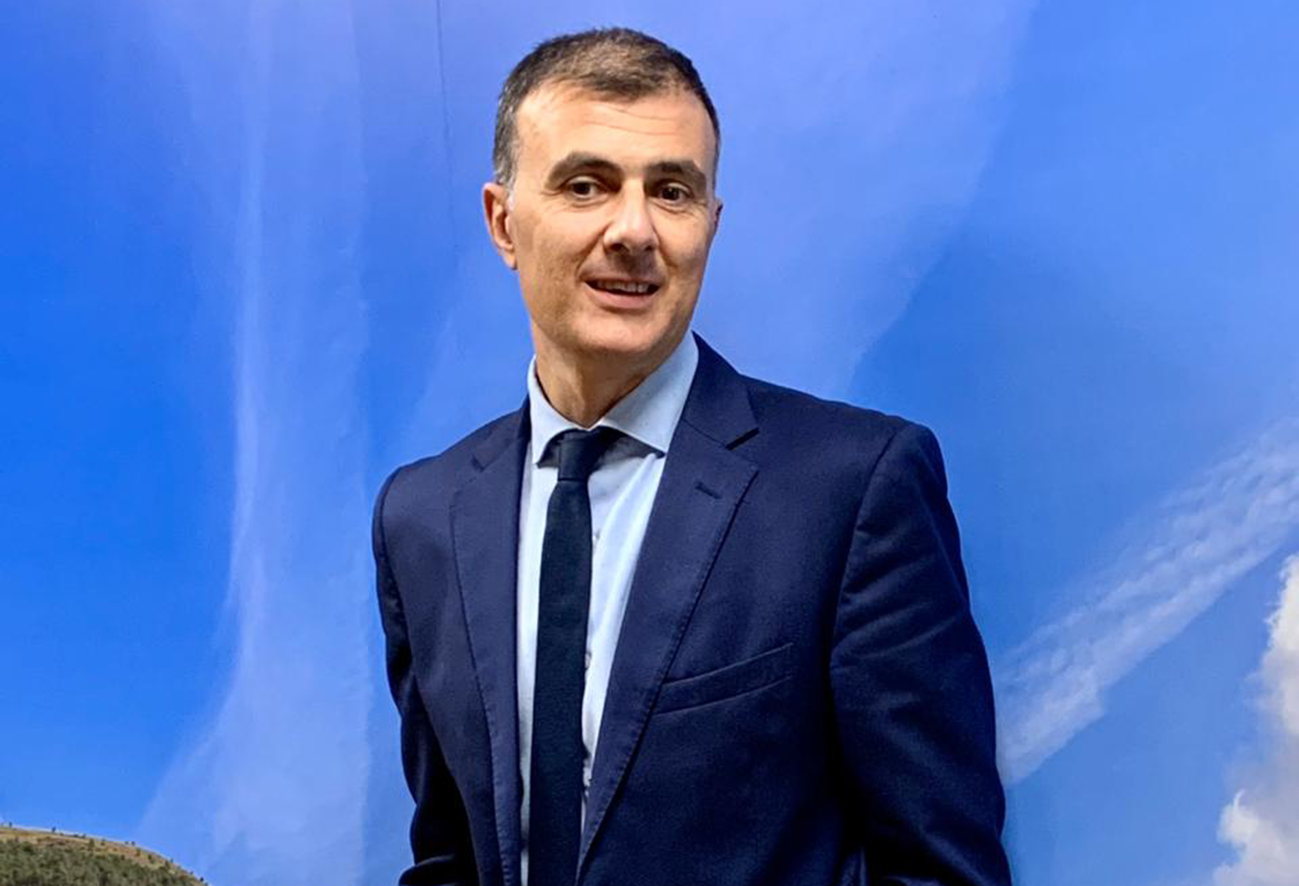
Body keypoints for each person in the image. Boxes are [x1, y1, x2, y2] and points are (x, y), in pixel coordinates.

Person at [372, 27, 1012, 886]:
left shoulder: (853, 489)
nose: (633, 230)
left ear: (709, 224)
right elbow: (449, 858)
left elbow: (939, 869)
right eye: (586, 185)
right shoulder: (421, 518)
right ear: (502, 222)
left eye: (671, 191)